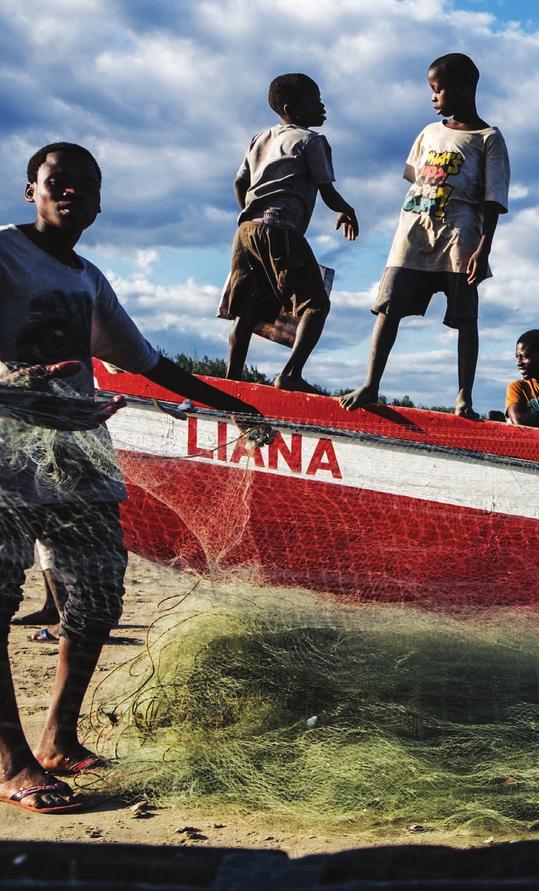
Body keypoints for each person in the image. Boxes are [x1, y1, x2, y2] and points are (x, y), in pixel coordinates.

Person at [0, 142, 265, 814]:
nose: (74, 194)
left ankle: (59, 736)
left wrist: (234, 403)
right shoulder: (4, 252)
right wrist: (18, 382)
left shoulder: (88, 279)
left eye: (88, 185)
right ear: (31, 187)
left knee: (96, 594)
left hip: (77, 451)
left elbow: (149, 361)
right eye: (59, 181)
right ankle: (12, 761)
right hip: (5, 445)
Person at [340, 53, 510, 418]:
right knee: (389, 308)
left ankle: (464, 398)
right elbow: (416, 180)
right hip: (413, 235)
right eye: (430, 91)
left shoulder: (488, 138)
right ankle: (371, 384)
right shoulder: (429, 133)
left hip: (460, 237)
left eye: (438, 90)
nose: (432, 97)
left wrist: (484, 248)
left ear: (464, 89)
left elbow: (493, 199)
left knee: (465, 318)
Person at [219, 73, 358, 393]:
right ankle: (291, 373)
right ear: (290, 108)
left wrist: (251, 215)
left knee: (248, 307)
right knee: (316, 304)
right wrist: (347, 210)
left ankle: (232, 378)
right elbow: (327, 190)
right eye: (314, 100)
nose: (322, 106)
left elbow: (240, 182)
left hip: (245, 231)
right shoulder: (311, 141)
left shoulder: (260, 138)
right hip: (281, 230)